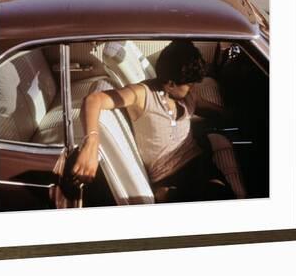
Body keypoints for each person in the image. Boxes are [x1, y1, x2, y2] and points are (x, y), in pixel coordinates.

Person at [72, 40, 235, 203]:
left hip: (198, 162)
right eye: (190, 85)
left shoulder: (187, 96)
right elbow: (94, 100)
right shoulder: (143, 95)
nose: (192, 89)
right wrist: (91, 144)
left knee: (224, 196)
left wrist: (236, 116)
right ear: (171, 84)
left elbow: (206, 107)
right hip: (168, 177)